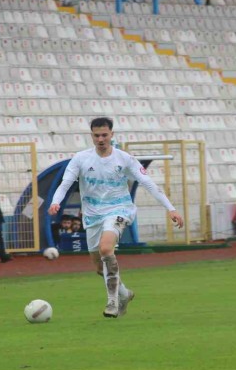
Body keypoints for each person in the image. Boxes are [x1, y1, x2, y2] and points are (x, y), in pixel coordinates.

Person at [48, 117, 184, 318]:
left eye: (104, 135)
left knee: (106, 249)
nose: (101, 139)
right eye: (97, 135)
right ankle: (124, 293)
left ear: (112, 134)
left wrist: (170, 208)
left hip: (119, 210)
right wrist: (55, 202)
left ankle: (112, 301)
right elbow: (65, 183)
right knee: (99, 267)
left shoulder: (125, 159)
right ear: (91, 136)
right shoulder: (81, 158)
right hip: (92, 216)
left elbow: (147, 182)